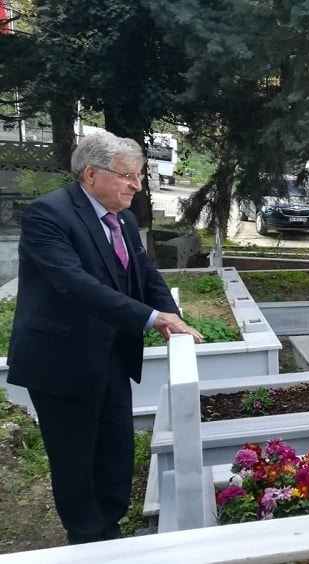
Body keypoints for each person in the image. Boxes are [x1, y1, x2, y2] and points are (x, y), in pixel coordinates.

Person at [6, 132, 204, 544]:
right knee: (75, 457)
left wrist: (172, 317)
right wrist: (151, 318)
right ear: (92, 174)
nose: (136, 186)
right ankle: (87, 540)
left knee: (115, 449)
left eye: (139, 177)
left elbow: (146, 275)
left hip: (112, 354)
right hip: (62, 360)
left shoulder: (125, 219)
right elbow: (75, 285)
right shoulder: (49, 215)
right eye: (128, 177)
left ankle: (110, 527)